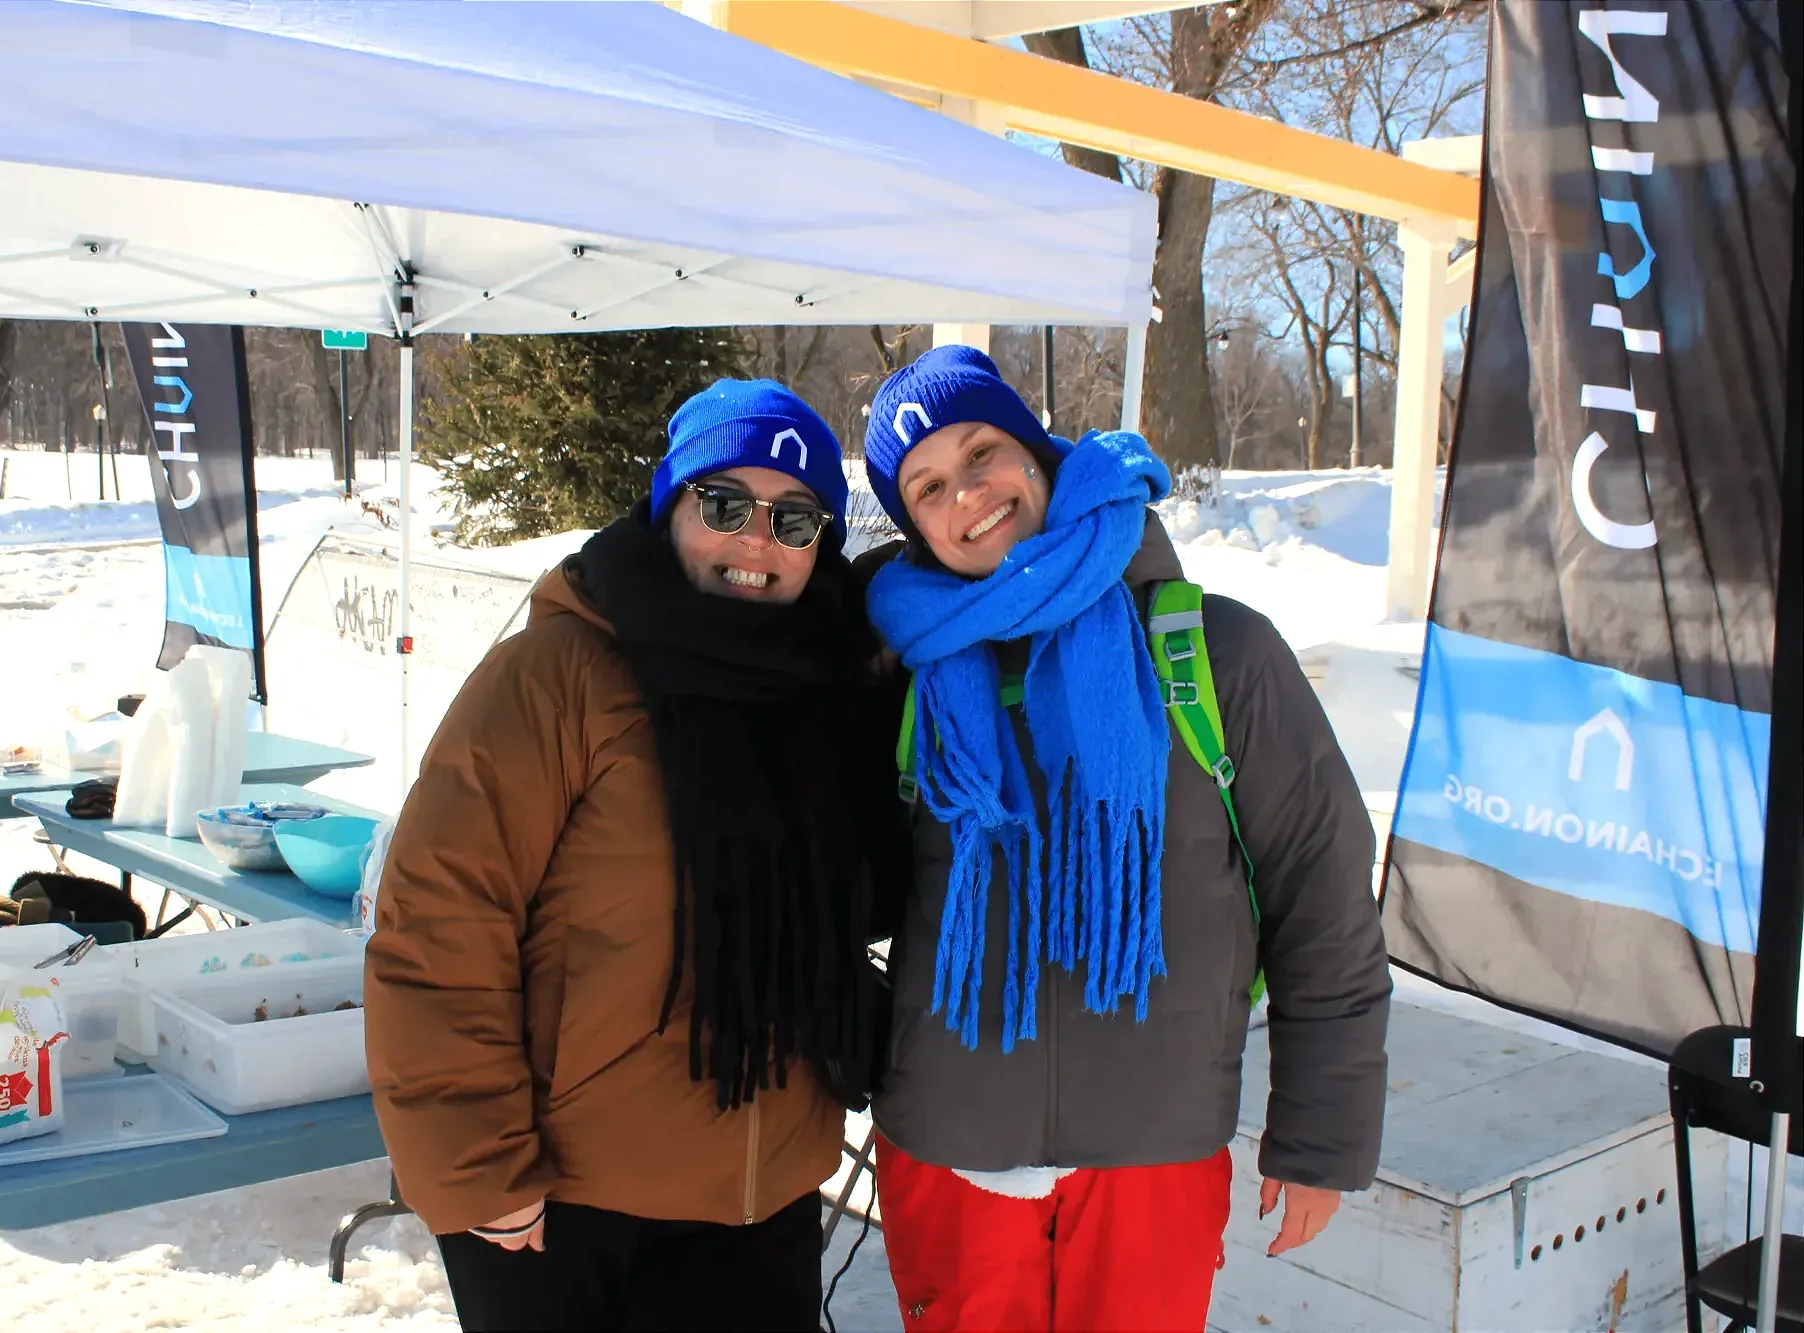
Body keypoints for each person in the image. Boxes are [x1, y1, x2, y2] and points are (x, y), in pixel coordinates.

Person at [856, 346, 1390, 1333]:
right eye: (927, 487)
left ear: (1038, 452)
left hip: (1152, 1156)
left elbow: (1321, 898)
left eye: (981, 451)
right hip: (947, 1148)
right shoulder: (902, 675)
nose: (965, 494)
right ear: (911, 527)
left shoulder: (1211, 652)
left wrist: (1320, 1137)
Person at [365, 379, 909, 1333]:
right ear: (668, 505)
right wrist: (478, 1164)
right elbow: (440, 920)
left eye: (794, 518)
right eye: (726, 505)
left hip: (767, 1198)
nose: (756, 542)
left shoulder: (831, 685)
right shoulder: (560, 675)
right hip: (567, 1207)